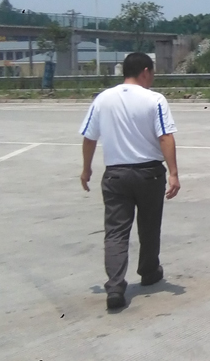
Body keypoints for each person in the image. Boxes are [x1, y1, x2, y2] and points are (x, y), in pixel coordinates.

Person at [79, 52, 180, 310]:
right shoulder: (154, 99)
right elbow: (165, 137)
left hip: (115, 175)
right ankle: (149, 271)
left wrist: (86, 169)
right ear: (145, 71)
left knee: (115, 231)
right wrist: (173, 173)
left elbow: (89, 138)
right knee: (149, 226)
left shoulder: (103, 99)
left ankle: (115, 286)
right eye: (152, 73)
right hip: (149, 174)